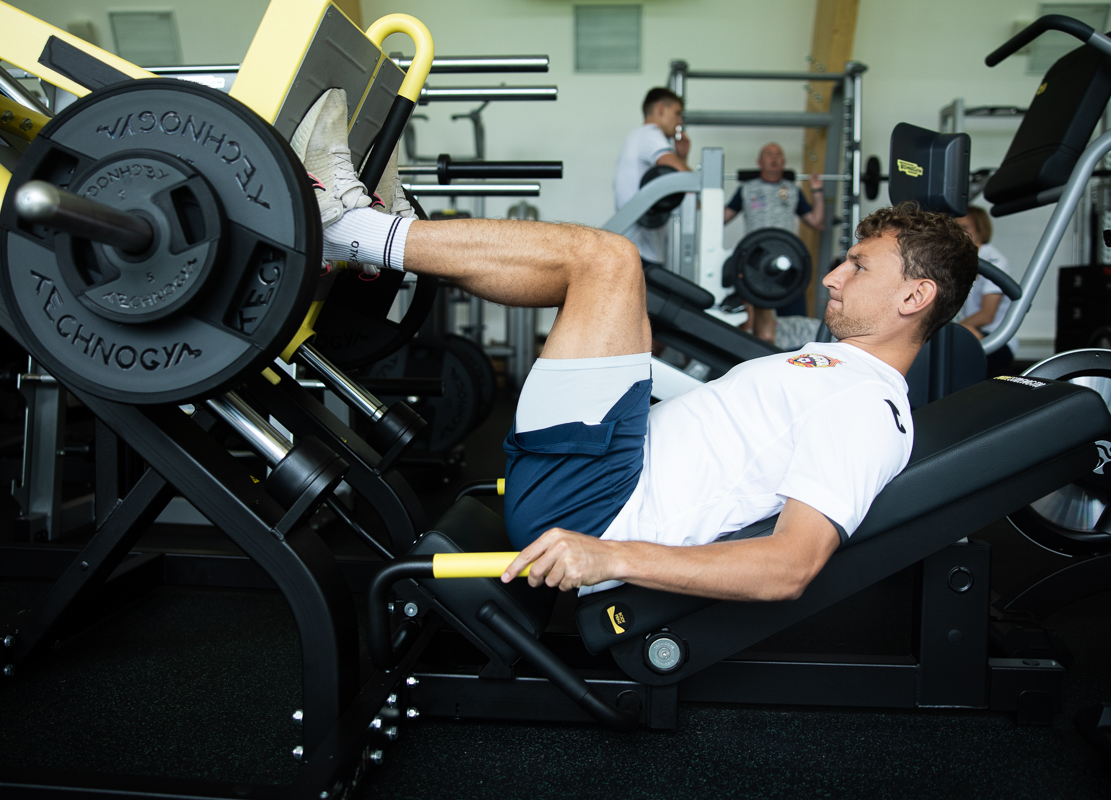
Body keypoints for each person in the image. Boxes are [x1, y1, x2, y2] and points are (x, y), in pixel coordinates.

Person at [298, 89, 979, 603]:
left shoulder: (865, 408)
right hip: (611, 461)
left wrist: (610, 557)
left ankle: (351, 228)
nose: (831, 275)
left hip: (594, 505)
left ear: (913, 297)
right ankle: (380, 235)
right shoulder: (840, 370)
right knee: (598, 276)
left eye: (857, 267)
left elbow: (789, 567)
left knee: (607, 260)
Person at [724, 142, 826, 343]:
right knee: (754, 324)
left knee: (793, 321)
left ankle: (795, 355)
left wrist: (817, 190)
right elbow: (719, 218)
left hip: (788, 263)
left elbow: (816, 222)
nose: (773, 158)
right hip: (755, 263)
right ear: (759, 161)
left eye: (778, 154)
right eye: (768, 154)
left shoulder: (793, 190)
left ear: (784, 161)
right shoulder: (746, 189)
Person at [612, 88, 691, 265]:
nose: (679, 122)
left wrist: (682, 157)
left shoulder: (637, 136)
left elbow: (677, 179)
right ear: (660, 109)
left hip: (638, 249)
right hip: (639, 252)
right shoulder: (650, 133)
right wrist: (682, 162)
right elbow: (685, 178)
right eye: (677, 113)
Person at [956, 206, 1017, 376]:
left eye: (964, 227)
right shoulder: (961, 261)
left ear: (980, 229)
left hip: (996, 339)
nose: (958, 233)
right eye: (955, 228)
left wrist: (952, 330)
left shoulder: (995, 262)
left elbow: (987, 315)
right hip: (972, 331)